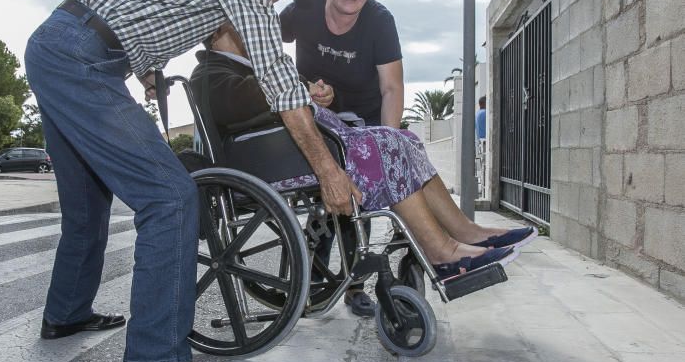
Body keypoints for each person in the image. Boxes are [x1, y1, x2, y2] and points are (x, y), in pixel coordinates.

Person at [24, 0, 359, 362]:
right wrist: (329, 169)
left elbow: (137, 3)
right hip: (81, 56)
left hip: (64, 46)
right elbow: (274, 73)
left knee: (87, 204)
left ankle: (66, 313)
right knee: (171, 197)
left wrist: (145, 66)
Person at [191, 22, 538, 281]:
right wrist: (295, 88)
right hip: (272, 163)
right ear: (221, 29)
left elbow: (296, 98)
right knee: (384, 145)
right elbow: (239, 104)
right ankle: (441, 252)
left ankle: (464, 232)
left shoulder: (256, 68)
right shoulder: (208, 73)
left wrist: (322, 94)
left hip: (315, 142)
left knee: (404, 138)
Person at [279, 0, 404, 317]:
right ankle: (313, 276)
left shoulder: (379, 21)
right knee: (324, 195)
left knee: (352, 203)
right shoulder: (303, 9)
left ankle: (354, 286)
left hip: (360, 119)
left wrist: (387, 140)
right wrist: (299, 88)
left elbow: (392, 87)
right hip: (313, 117)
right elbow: (264, 42)